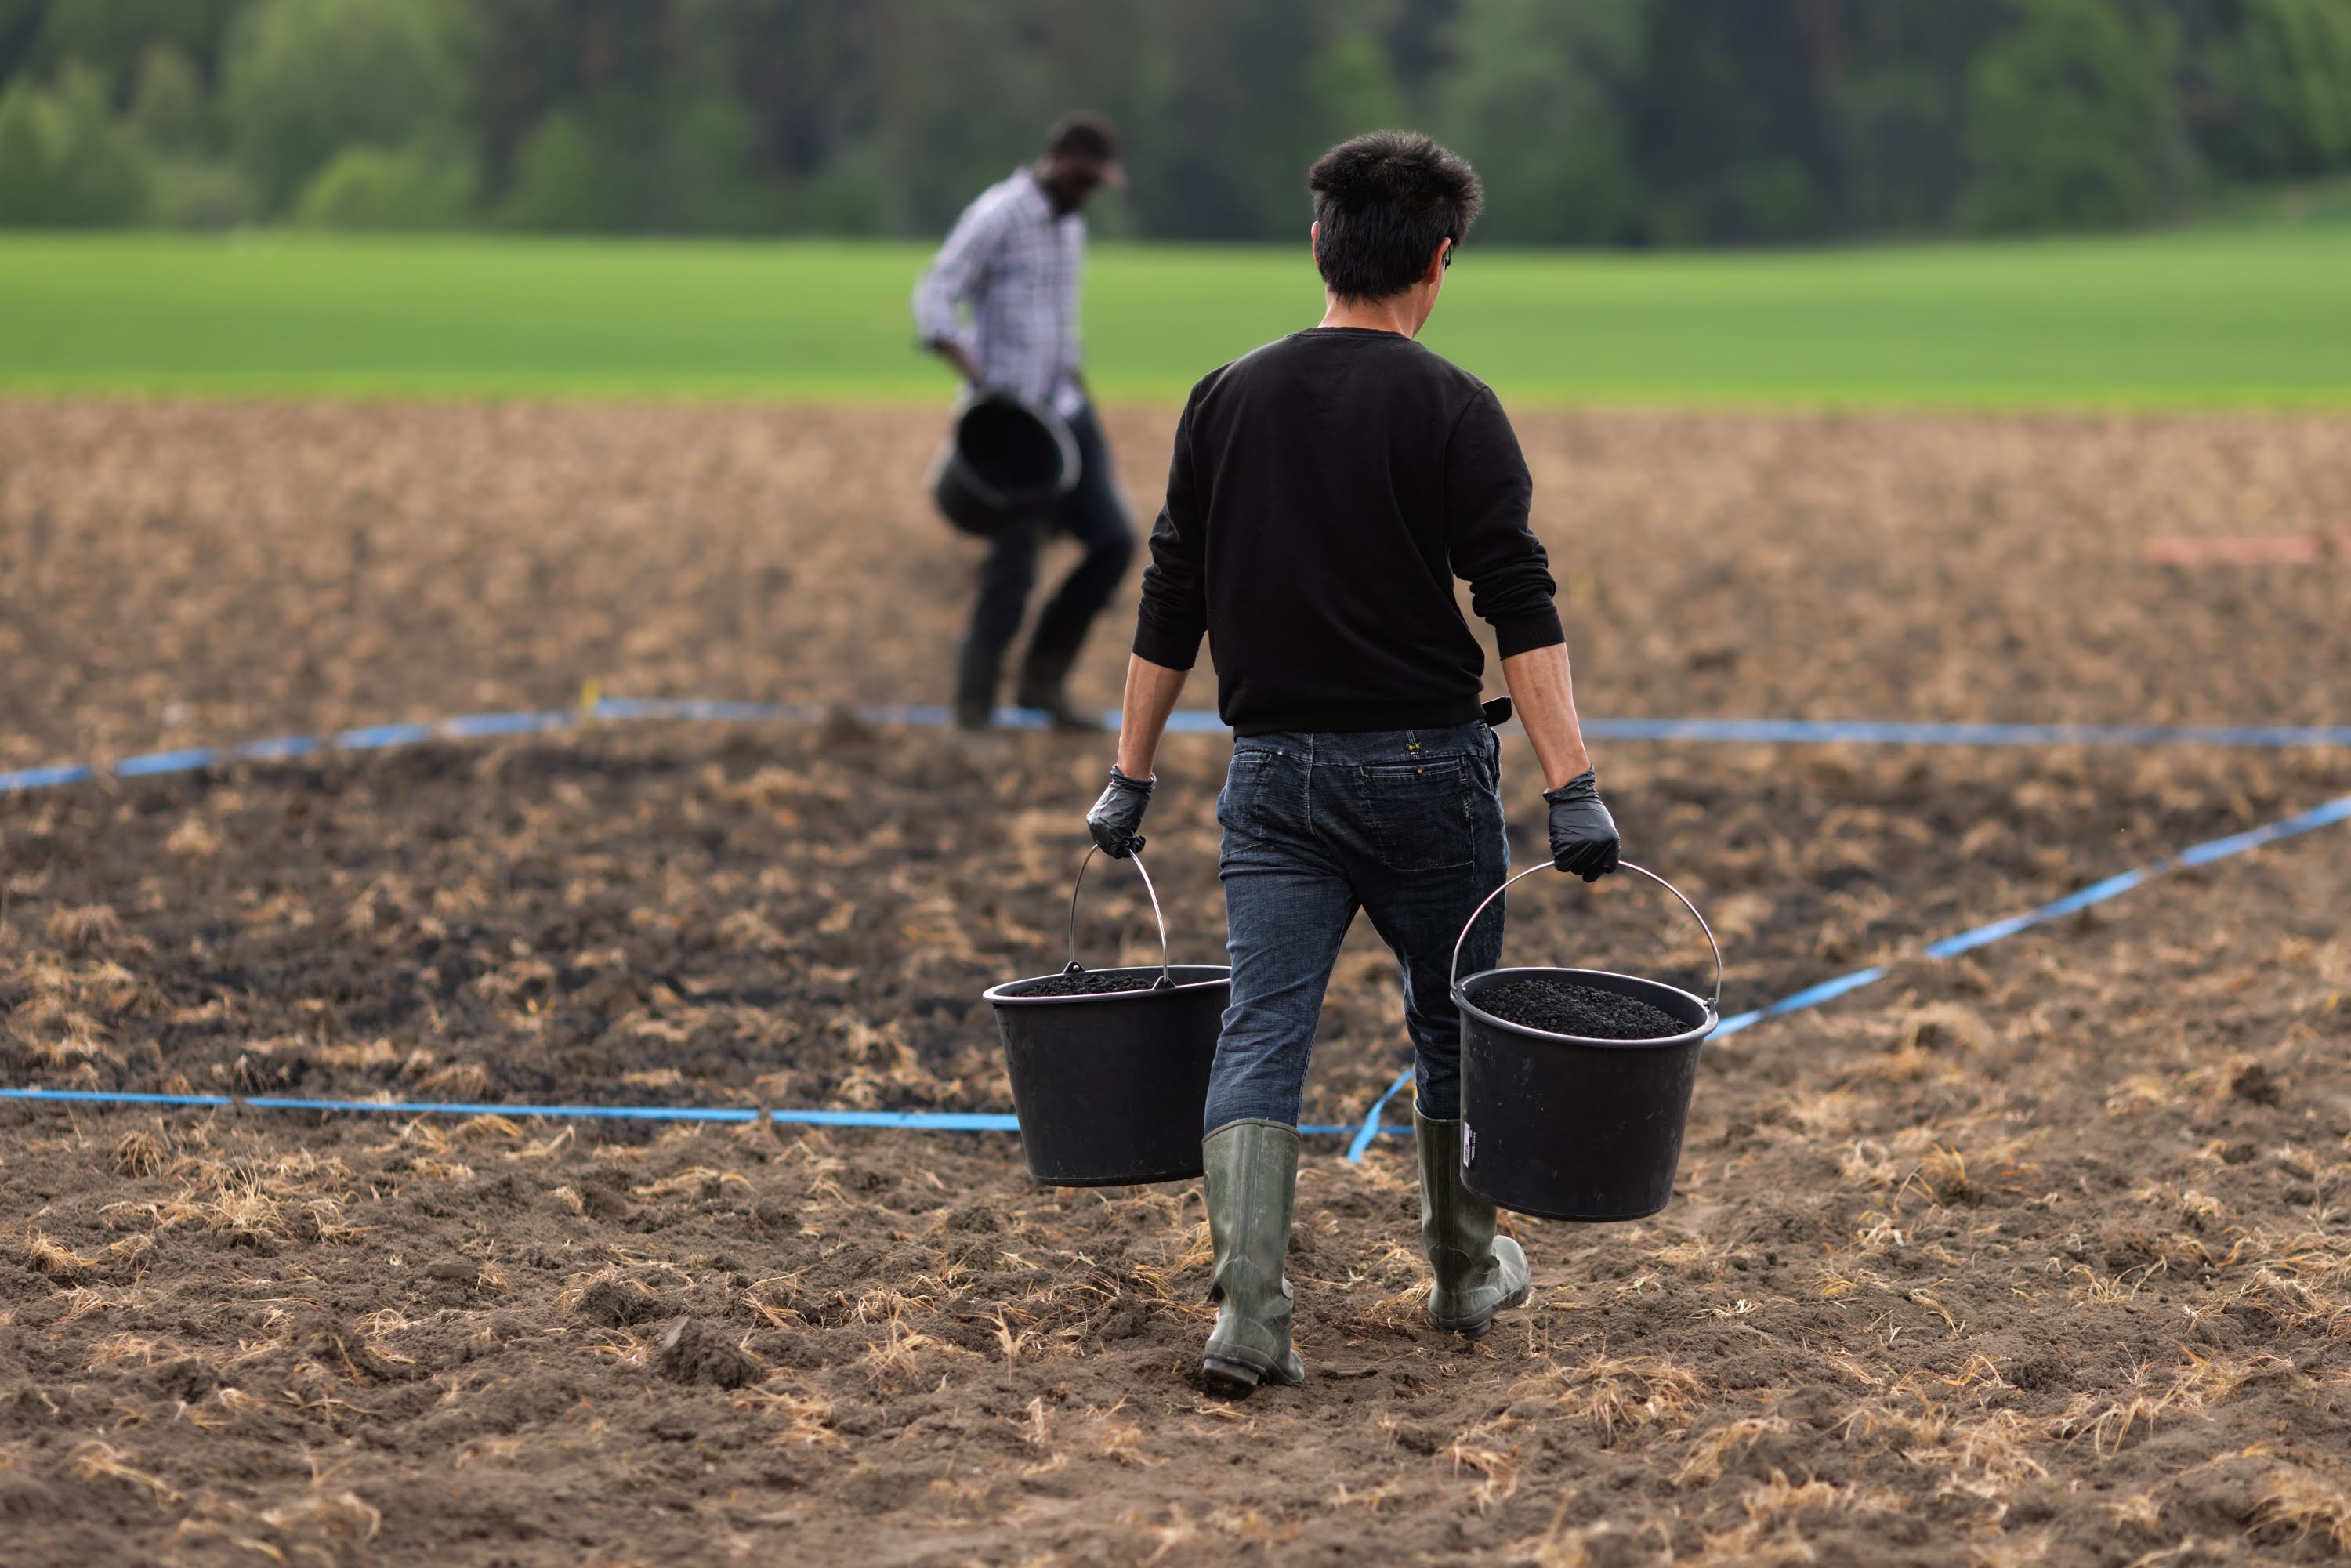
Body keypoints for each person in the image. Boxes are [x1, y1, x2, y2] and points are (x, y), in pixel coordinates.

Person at [1082, 131, 1622, 1396]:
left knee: (1263, 1026)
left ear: (1319, 243)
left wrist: (1130, 772)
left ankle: (1249, 1320)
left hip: (1272, 779)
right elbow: (1519, 605)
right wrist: (1574, 785)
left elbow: (1175, 595)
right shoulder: (1456, 406)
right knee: (1454, 1027)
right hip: (1436, 775)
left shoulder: (1225, 396)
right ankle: (1459, 1273)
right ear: (1439, 262)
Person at [911, 113, 1136, 732]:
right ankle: (973, 712)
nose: (1086, 193)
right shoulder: (998, 216)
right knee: (1013, 567)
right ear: (1057, 161)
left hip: (1067, 407)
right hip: (1013, 423)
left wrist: (1088, 403)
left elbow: (1061, 326)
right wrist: (975, 375)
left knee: (1114, 541)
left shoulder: (1070, 226)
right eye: (1081, 179)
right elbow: (933, 295)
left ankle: (1043, 683)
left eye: (1096, 184)